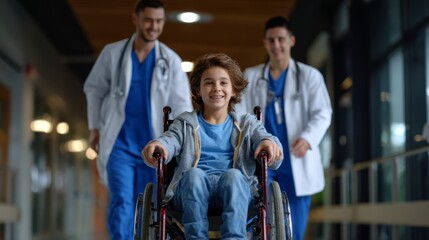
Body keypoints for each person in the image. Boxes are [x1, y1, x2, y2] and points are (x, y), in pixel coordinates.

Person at [141, 53, 284, 239]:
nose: (217, 88)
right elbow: (171, 139)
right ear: (198, 91)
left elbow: (265, 138)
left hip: (235, 189)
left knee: (234, 176)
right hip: (192, 191)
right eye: (208, 82)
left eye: (224, 83)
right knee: (193, 175)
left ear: (234, 90)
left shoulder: (247, 123)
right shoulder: (185, 123)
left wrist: (268, 143)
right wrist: (159, 144)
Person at [83, 0, 193, 238]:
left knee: (152, 206)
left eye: (159, 21)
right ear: (136, 19)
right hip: (119, 145)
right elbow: (93, 88)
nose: (153, 26)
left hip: (154, 148)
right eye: (148, 20)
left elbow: (183, 105)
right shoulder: (113, 53)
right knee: (122, 201)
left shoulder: (171, 60)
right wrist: (95, 128)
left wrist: (178, 141)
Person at [235, 16, 332, 240]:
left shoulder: (309, 76)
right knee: (258, 223)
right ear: (265, 43)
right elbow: (239, 114)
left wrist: (308, 138)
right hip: (262, 160)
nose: (276, 45)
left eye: (281, 39)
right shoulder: (251, 76)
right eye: (271, 40)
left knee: (293, 230)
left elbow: (323, 113)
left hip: (296, 159)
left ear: (291, 40)